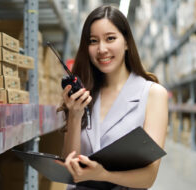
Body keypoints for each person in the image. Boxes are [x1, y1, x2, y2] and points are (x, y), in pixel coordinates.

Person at [56, 5, 168, 190]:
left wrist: (103, 174)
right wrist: (75, 115)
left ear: (126, 43)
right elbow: (71, 168)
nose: (101, 49)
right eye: (93, 41)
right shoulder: (84, 94)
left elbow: (148, 178)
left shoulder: (153, 94)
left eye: (110, 38)